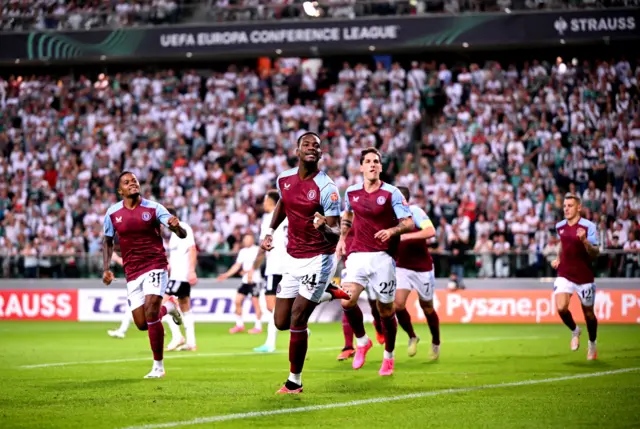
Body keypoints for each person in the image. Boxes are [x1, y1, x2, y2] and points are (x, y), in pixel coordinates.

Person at [260, 131, 349, 394]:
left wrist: (323, 227)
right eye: (306, 145)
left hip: (319, 259)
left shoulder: (327, 188)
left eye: (317, 146)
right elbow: (282, 205)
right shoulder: (284, 179)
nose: (312, 148)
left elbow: (335, 235)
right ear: (297, 151)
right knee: (280, 321)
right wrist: (270, 231)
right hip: (293, 258)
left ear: (321, 154)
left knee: (298, 320)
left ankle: (294, 381)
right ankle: (326, 292)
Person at [337, 147, 414, 376]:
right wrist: (342, 239)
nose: (372, 165)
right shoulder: (351, 192)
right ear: (361, 167)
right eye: (368, 161)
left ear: (380, 167)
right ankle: (362, 342)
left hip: (383, 257)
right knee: (346, 302)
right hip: (357, 254)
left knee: (385, 310)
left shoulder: (392, 193)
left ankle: (388, 356)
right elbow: (347, 214)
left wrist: (392, 230)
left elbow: (408, 222)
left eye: (376, 162)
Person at [102, 171, 186, 378]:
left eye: (135, 181)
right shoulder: (112, 213)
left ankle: (158, 367)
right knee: (142, 323)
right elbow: (107, 241)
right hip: (132, 271)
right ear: (120, 190)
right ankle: (169, 307)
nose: (132, 184)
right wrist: (106, 268)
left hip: (155, 265)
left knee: (150, 312)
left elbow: (181, 233)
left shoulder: (154, 208)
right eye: (127, 182)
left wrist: (177, 228)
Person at [551, 193, 600, 360]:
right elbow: (562, 243)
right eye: (565, 206)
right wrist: (558, 257)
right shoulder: (560, 226)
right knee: (561, 308)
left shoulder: (588, 226)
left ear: (579, 207)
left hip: (584, 277)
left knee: (589, 315)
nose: (566, 209)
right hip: (564, 274)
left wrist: (585, 241)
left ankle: (592, 343)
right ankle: (575, 330)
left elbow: (595, 253)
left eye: (570, 206)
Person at [394, 186, 440, 360]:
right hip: (401, 267)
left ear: (403, 200)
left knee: (427, 307)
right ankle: (412, 336)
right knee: (398, 305)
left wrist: (406, 237)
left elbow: (431, 231)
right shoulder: (389, 216)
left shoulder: (415, 212)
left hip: (422, 268)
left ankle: (436, 342)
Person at [336, 228, 385, 361]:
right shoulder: (342, 213)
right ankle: (348, 347)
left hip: (372, 261)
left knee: (375, 304)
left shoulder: (367, 212)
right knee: (346, 301)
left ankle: (379, 327)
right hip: (351, 263)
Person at [251, 190, 289, 353]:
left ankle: (271, 343)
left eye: (266, 200)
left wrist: (253, 267)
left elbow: (263, 245)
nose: (264, 203)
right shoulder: (288, 214)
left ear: (272, 202)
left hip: (275, 266)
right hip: (289, 264)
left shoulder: (269, 218)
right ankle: (296, 326)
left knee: (270, 305)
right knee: (281, 305)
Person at [163, 207, 198, 352]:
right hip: (176, 276)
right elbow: (176, 256)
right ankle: (191, 343)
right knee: (185, 308)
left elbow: (192, 249)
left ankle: (177, 337)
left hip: (181, 276)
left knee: (161, 304)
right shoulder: (172, 236)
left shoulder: (184, 228)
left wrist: (191, 270)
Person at [217, 234, 263, 334]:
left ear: (252, 240)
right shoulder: (242, 251)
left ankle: (258, 326)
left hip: (255, 280)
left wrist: (251, 271)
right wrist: (226, 275)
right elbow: (237, 266)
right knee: (237, 301)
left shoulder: (257, 250)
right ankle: (239, 325)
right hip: (245, 281)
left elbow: (260, 262)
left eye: (248, 239)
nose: (246, 241)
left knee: (255, 302)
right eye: (245, 239)